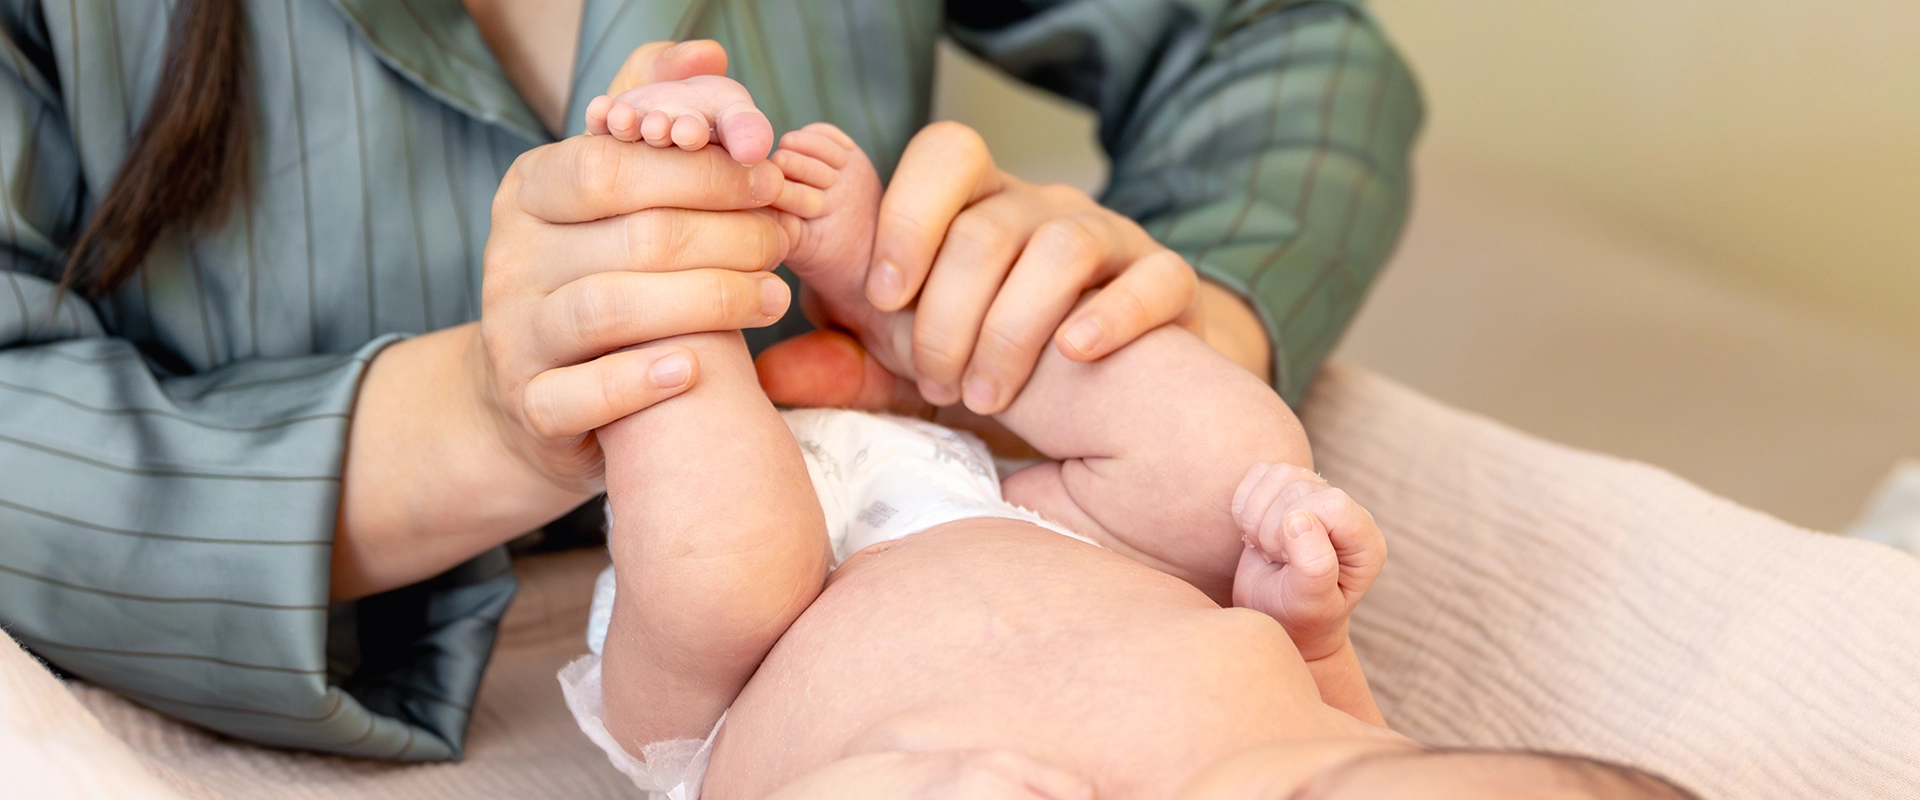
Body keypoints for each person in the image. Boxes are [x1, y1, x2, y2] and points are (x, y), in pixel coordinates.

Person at [0, 0, 1420, 759]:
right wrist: (496, 415)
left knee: (1232, 447)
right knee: (721, 541)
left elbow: (1284, 49)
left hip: (945, 454)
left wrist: (1152, 319)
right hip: (720, 591)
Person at [562, 90, 1695, 797]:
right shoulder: (1355, 745)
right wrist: (1303, 614)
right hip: (1041, 526)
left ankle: (666, 264)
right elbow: (1326, 697)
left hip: (763, 648)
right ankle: (896, 285)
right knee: (1237, 450)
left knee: (721, 564)